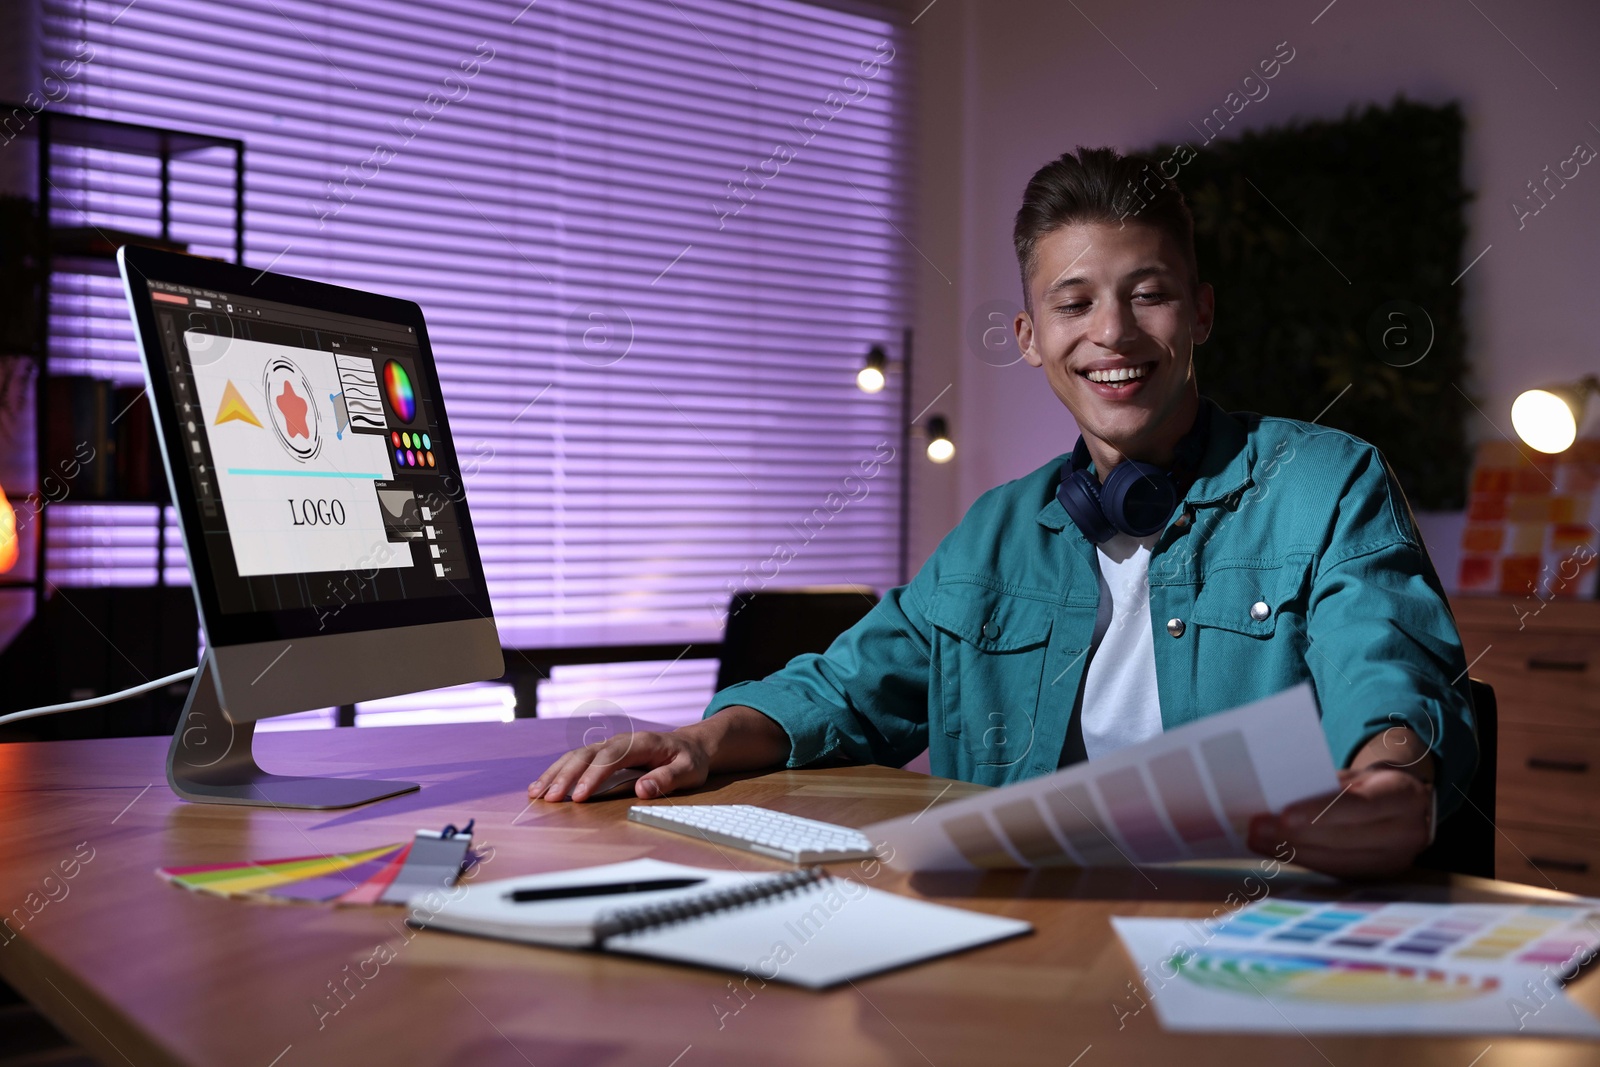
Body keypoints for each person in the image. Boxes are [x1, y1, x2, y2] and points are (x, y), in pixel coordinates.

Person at [530, 146, 1477, 878]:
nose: (1112, 332)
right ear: (1030, 338)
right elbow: (841, 690)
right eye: (1074, 304)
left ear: (1200, 314)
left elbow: (1385, 667)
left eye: (1148, 294)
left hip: (1253, 928)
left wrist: (1391, 782)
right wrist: (697, 740)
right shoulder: (993, 533)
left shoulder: (1326, 483)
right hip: (1036, 931)